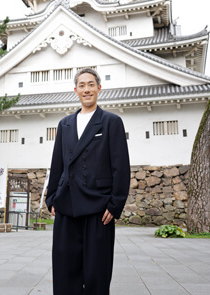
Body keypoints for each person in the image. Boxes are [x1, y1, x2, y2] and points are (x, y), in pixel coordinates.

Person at [46, 67, 130, 295]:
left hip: (99, 207)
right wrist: (51, 197)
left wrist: (115, 204)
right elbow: (57, 164)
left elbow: (121, 166)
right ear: (75, 90)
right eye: (82, 85)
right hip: (67, 205)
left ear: (99, 89)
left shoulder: (111, 122)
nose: (86, 89)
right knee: (65, 270)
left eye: (91, 84)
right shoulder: (64, 124)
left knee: (96, 272)